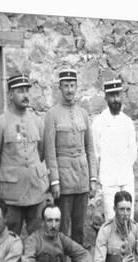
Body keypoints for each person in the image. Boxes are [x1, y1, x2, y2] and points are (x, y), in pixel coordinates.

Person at [0, 74, 49, 235]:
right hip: (11, 194)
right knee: (10, 236)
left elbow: (41, 152)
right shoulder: (1, 123)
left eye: (27, 91)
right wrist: (7, 174)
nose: (25, 95)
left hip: (36, 191)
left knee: (37, 237)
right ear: (10, 95)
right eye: (20, 91)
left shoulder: (37, 121)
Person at [44, 68, 97, 246]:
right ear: (60, 87)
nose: (69, 90)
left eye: (72, 85)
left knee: (80, 228)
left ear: (76, 87)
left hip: (82, 178)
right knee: (63, 227)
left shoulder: (83, 113)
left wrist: (93, 178)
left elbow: (90, 148)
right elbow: (50, 150)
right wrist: (55, 181)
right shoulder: (52, 114)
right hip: (64, 181)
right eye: (65, 85)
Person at [92, 79, 137, 220]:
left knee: (129, 219)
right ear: (106, 97)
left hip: (126, 178)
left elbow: (133, 151)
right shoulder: (99, 122)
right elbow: (95, 152)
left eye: (118, 95)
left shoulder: (127, 122)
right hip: (109, 180)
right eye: (112, 96)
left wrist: (124, 168)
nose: (115, 99)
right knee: (111, 220)